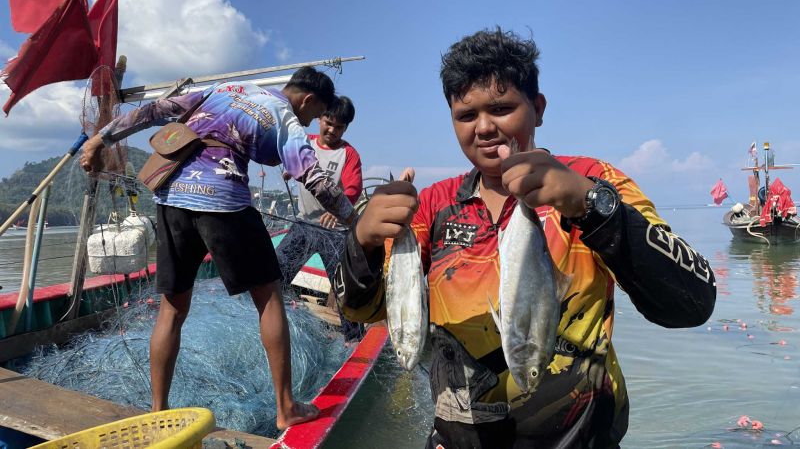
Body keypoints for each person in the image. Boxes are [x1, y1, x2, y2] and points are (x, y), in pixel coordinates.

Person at [333, 28, 716, 448]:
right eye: (465, 115)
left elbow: (692, 302)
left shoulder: (593, 182)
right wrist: (363, 241)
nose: (483, 128)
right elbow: (363, 310)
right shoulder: (432, 206)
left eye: (501, 108)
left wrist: (590, 205)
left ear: (538, 107)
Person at [80, 66, 357, 430]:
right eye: (315, 113)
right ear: (307, 100)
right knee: (270, 298)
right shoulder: (286, 118)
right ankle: (286, 405)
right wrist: (355, 221)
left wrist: (101, 139)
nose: (311, 121)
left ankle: (158, 409)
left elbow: (155, 111)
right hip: (223, 201)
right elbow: (315, 179)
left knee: (172, 309)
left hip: (171, 197)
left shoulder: (228, 88)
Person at [274, 95, 365, 341]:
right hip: (303, 225)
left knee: (343, 286)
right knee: (277, 274)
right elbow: (290, 158)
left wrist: (334, 210)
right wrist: (288, 169)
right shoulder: (306, 143)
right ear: (319, 119)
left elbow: (353, 189)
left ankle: (353, 339)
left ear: (345, 128)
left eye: (339, 126)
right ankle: (275, 323)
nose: (332, 130)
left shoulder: (349, 154)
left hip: (333, 232)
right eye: (328, 122)